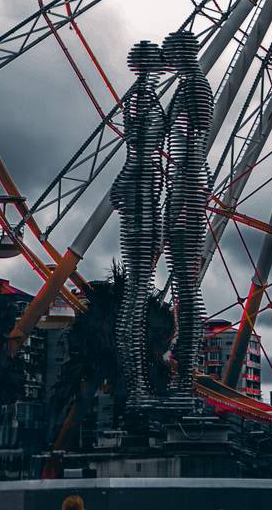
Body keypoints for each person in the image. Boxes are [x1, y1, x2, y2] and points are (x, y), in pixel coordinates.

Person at [110, 40, 165, 409]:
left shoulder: (141, 100)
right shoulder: (147, 102)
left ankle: (138, 386)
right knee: (135, 301)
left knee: (134, 304)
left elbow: (139, 155)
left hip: (143, 208)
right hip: (145, 207)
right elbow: (142, 154)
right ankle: (138, 386)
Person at [162, 29, 213, 399]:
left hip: (187, 188)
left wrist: (181, 207)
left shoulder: (194, 86)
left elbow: (193, 137)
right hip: (184, 186)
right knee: (185, 288)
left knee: (187, 289)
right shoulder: (191, 85)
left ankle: (186, 365)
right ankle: (185, 361)